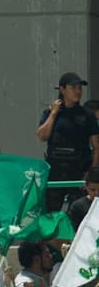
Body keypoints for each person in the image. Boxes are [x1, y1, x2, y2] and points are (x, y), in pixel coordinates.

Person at [37, 72, 99, 210]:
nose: (78, 91)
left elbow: (96, 147)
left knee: (77, 213)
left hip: (78, 171)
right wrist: (54, 113)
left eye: (80, 88)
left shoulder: (87, 115)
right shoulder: (50, 112)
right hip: (55, 172)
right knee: (51, 216)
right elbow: (42, 136)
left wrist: (90, 172)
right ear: (62, 89)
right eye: (74, 87)